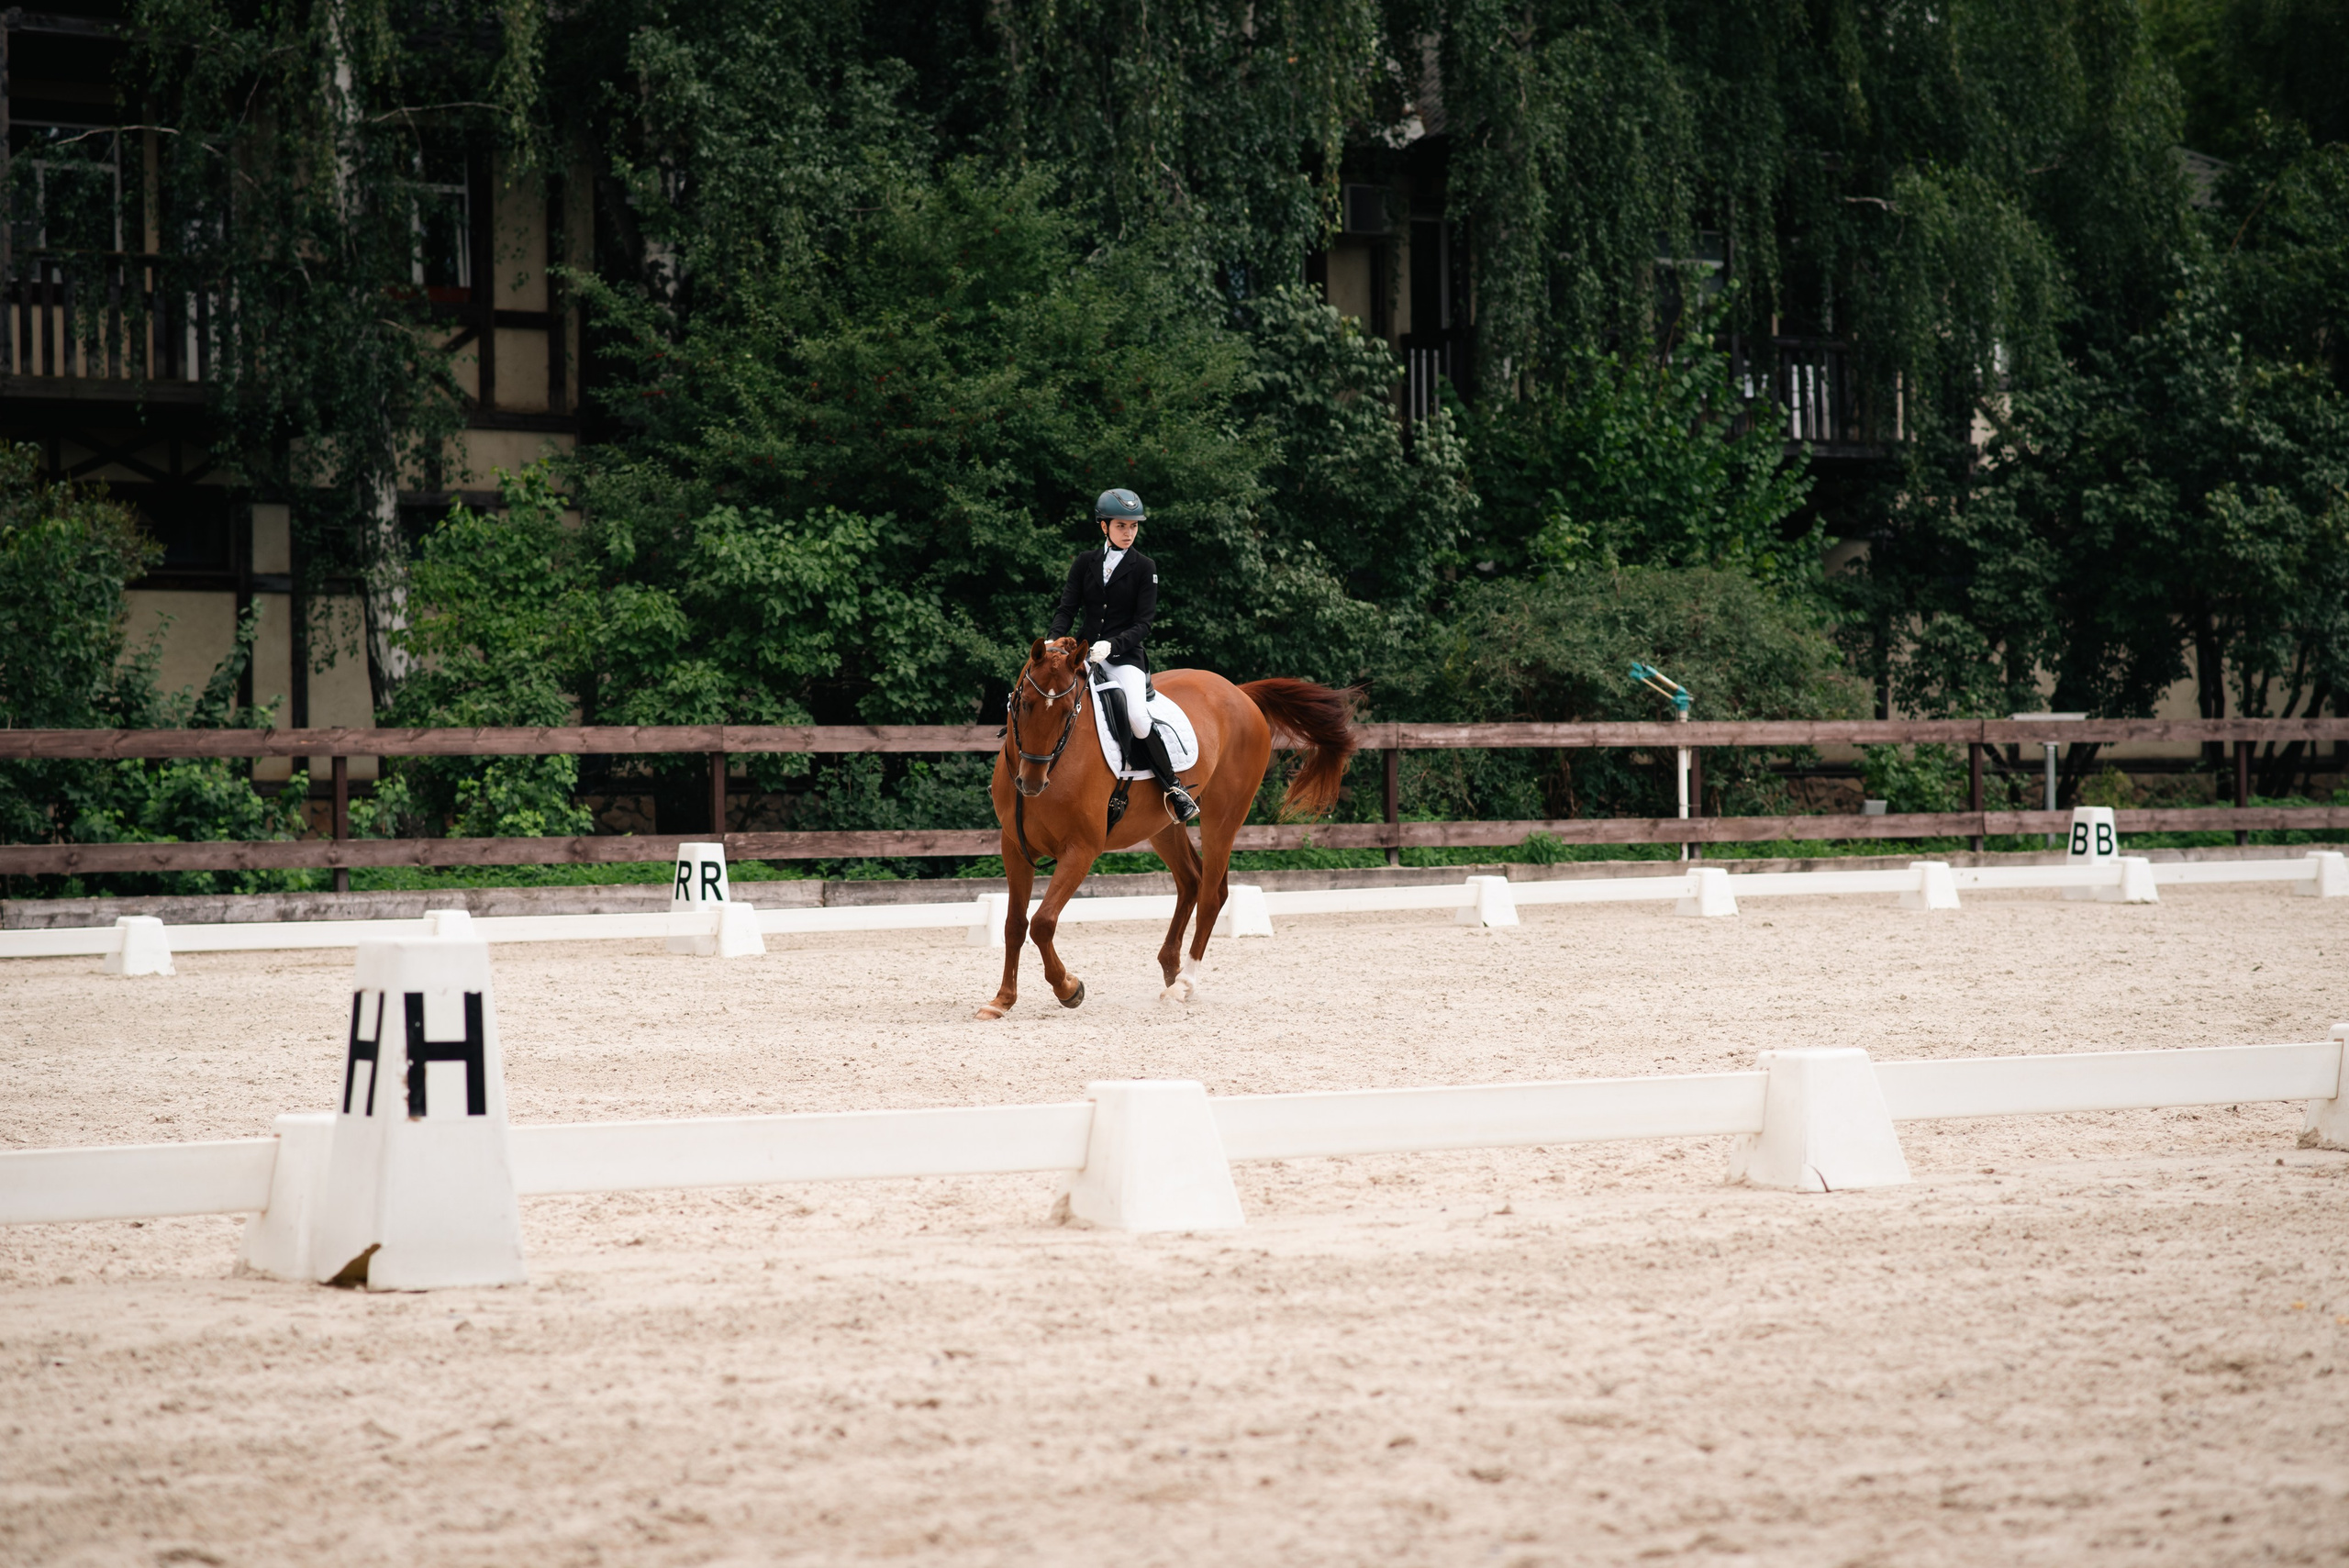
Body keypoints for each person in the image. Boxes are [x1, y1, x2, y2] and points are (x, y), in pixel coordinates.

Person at [1048, 487, 1199, 821]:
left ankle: (1174, 787)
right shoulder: (1085, 562)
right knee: (1047, 697)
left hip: (1125, 658)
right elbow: (1066, 608)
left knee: (1137, 717)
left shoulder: (1145, 567)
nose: (1128, 533)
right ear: (1104, 527)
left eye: (1133, 527)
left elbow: (1144, 623)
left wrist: (1112, 646)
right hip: (1084, 656)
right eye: (1121, 526)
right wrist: (1054, 642)